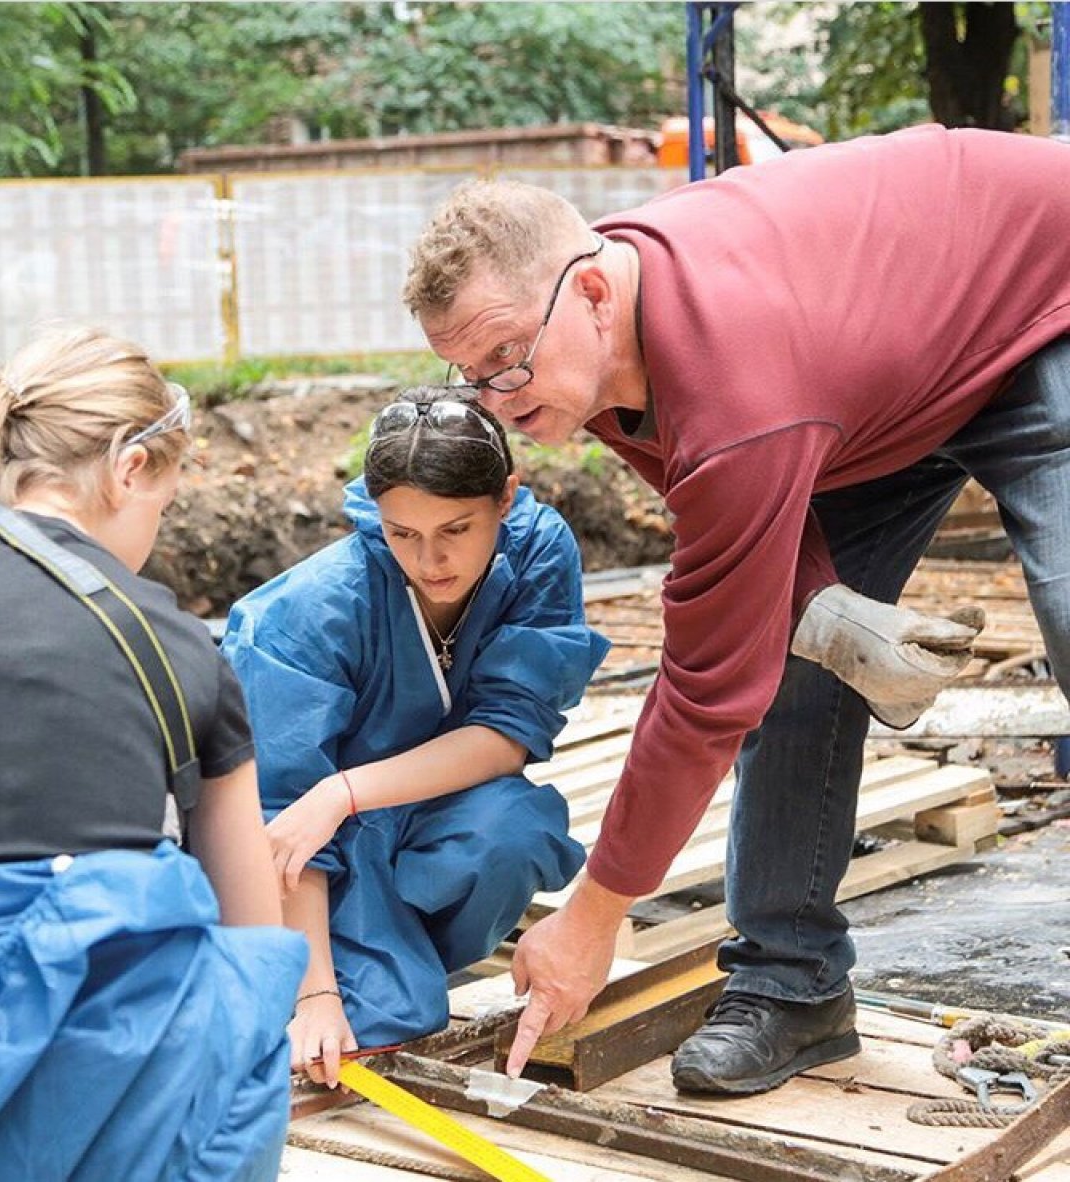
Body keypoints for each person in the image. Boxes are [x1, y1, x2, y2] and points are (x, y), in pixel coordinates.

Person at [404, 124, 1070, 1094]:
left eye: (508, 360)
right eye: (470, 377)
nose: (497, 399)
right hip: (872, 390)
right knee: (804, 665)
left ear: (590, 292)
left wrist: (593, 914)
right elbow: (732, 546)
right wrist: (820, 608)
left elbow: (708, 689)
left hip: (1037, 298)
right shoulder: (601, 341)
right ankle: (793, 992)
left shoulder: (733, 382)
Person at [0, 326, 307, 1180]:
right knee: (244, 1001)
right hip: (95, 1092)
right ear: (129, 468)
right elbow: (255, 942)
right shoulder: (179, 646)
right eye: (165, 503)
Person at [222, 385, 608, 1086]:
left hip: (397, 813)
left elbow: (506, 733)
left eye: (456, 530)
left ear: (505, 498)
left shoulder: (539, 551)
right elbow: (279, 824)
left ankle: (392, 958)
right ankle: (353, 965)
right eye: (402, 533)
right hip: (311, 856)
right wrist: (314, 995)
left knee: (514, 830)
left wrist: (342, 791)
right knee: (374, 1018)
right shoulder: (303, 615)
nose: (430, 561)